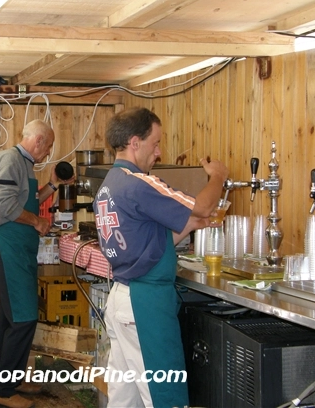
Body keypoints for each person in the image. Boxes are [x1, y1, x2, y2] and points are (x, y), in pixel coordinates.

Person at [93, 108, 228, 407]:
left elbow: (148, 242)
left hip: (122, 298)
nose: (159, 152)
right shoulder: (139, 183)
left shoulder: (109, 184)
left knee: (125, 398)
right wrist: (218, 176)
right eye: (155, 144)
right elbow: (204, 207)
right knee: (165, 396)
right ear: (135, 142)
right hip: (146, 305)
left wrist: (190, 225)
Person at [0, 119, 75, 408]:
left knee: (9, 318)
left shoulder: (24, 164)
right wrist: (37, 221)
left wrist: (53, 184)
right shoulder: (10, 159)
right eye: (48, 147)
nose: (48, 153)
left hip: (19, 249)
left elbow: (29, 200)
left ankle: (10, 379)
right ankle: (1, 393)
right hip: (9, 247)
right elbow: (2, 203)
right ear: (38, 141)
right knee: (23, 318)